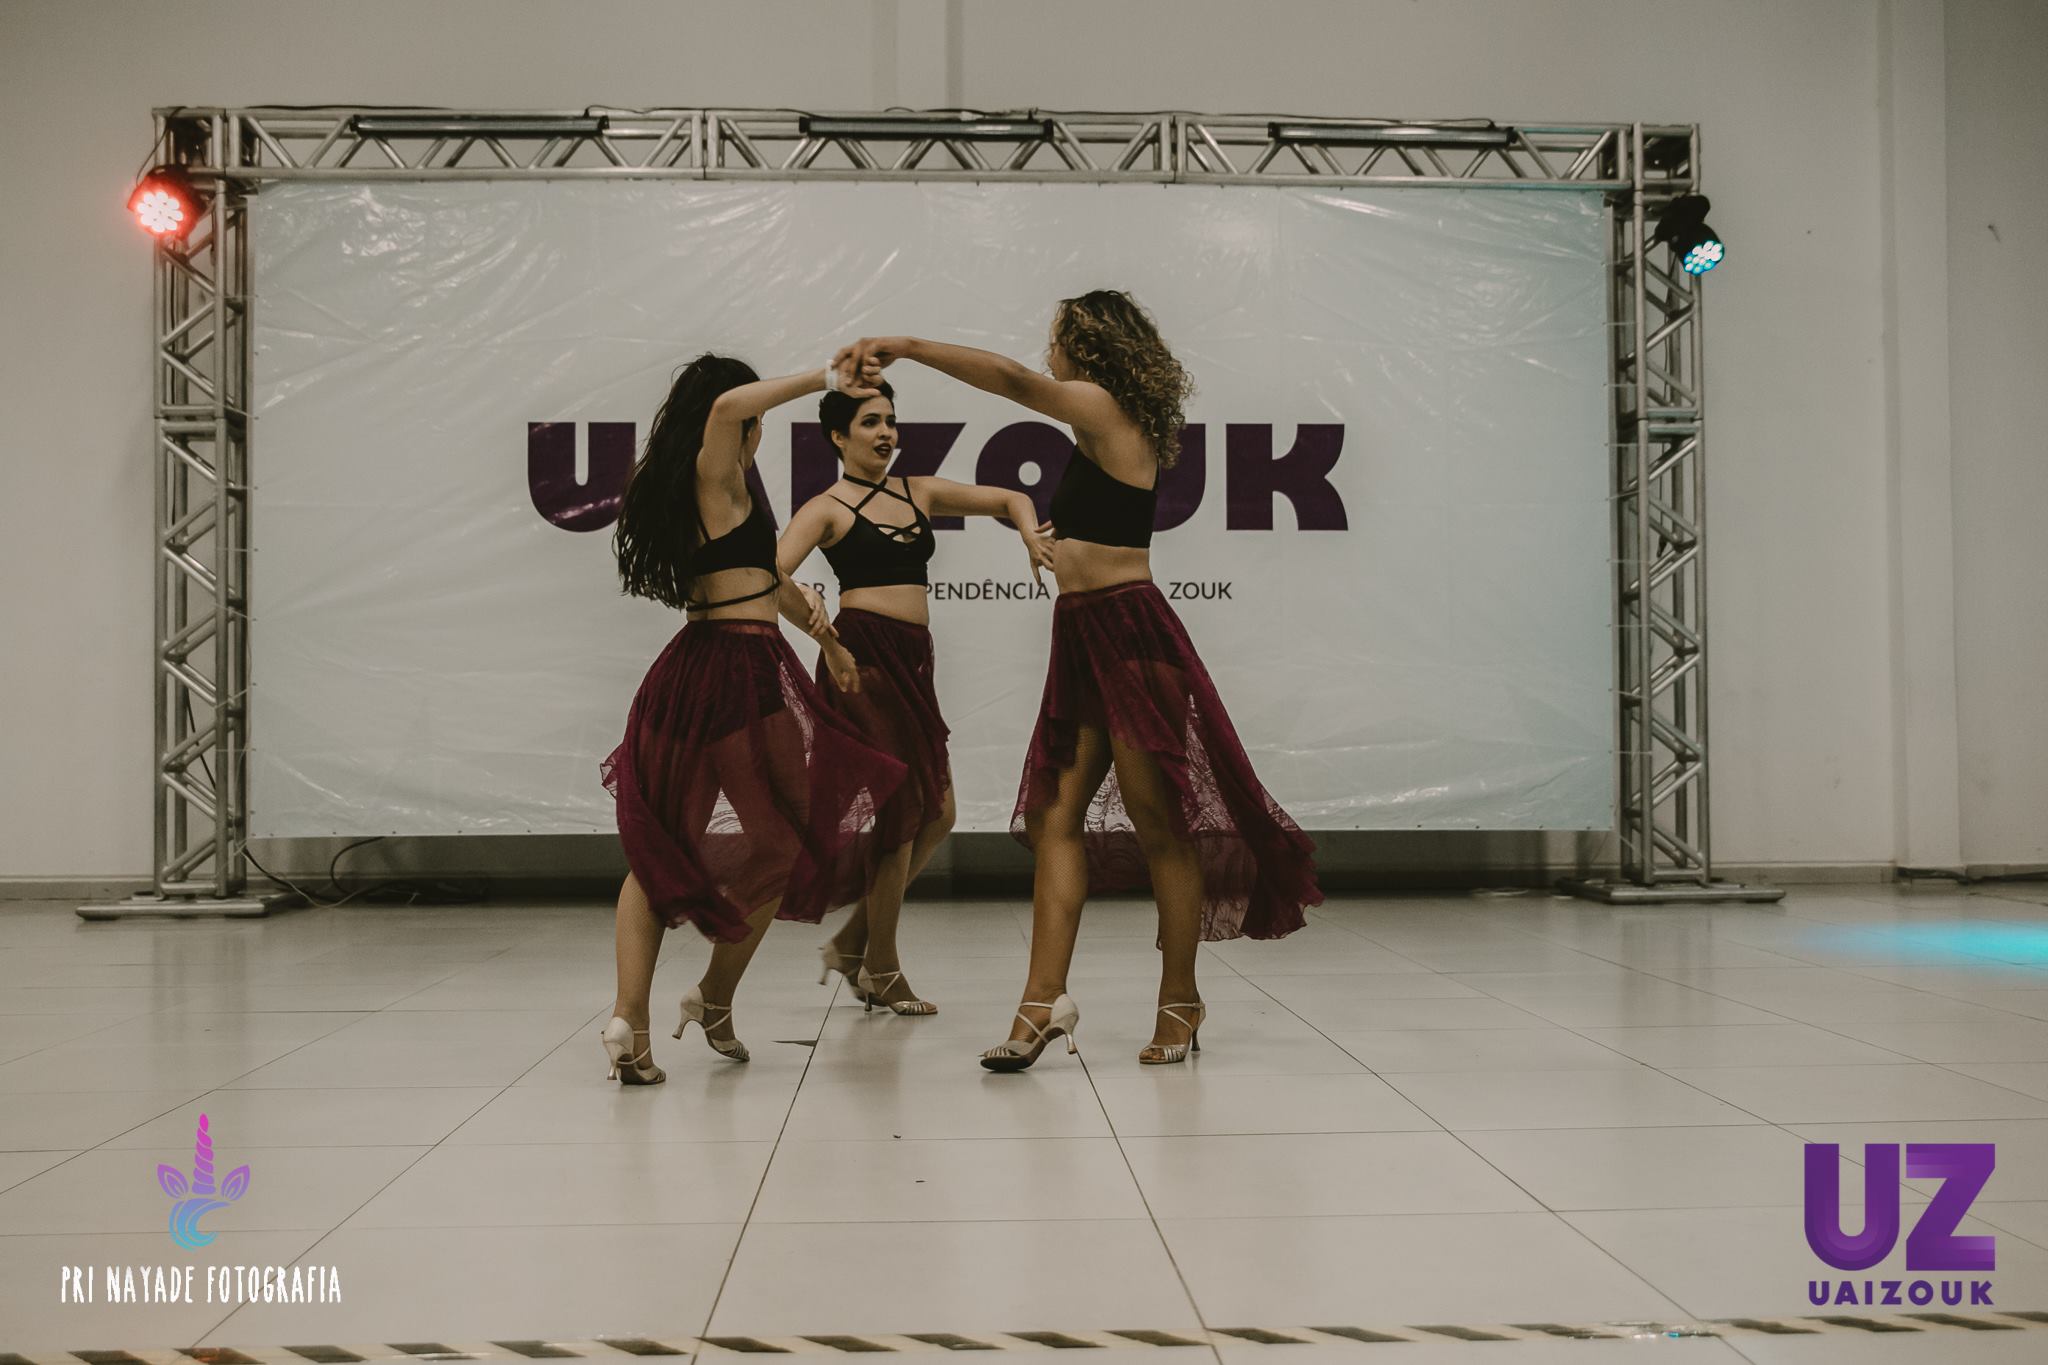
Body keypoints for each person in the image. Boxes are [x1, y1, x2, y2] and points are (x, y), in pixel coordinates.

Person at [844, 291, 1322, 1071]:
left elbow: (1011, 380)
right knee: (1054, 820)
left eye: (1058, 340)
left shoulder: (1102, 403)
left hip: (1128, 633)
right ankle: (1042, 1003)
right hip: (1083, 634)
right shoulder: (1101, 423)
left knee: (1158, 822)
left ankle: (1180, 999)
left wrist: (909, 344)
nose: (1049, 355)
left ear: (1090, 347)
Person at [597, 353, 907, 1083]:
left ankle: (635, 1023)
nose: (758, 428)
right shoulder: (716, 471)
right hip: (737, 673)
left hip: (694, 671)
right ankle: (708, 996)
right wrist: (826, 380)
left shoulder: (713, 486)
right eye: (757, 417)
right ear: (744, 418)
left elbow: (768, 581)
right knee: (781, 844)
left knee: (665, 848)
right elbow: (725, 409)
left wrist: (829, 642)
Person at [776, 379, 1054, 1015]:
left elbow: (1009, 496)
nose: (885, 434)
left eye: (890, 421)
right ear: (839, 436)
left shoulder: (917, 490)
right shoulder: (826, 508)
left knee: (939, 813)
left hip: (913, 662)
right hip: (862, 662)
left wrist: (1027, 533)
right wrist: (820, 626)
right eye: (870, 422)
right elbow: (769, 573)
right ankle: (882, 967)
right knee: (903, 814)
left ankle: (854, 944)